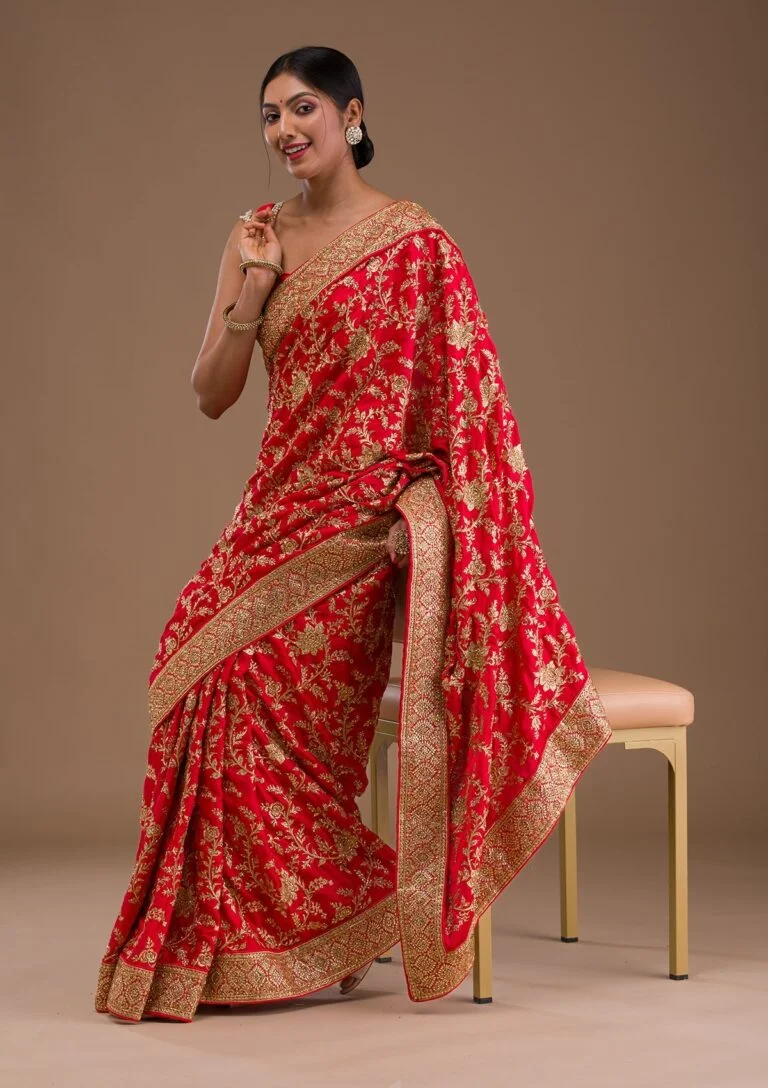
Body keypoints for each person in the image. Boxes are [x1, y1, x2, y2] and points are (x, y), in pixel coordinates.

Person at [94, 45, 612, 1023]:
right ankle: (337, 915)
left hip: (366, 529)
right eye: (269, 116)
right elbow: (211, 395)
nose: (285, 129)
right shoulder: (255, 236)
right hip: (272, 511)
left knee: (258, 697)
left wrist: (427, 524)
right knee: (187, 668)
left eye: (303, 108)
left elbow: (469, 413)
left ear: (352, 114)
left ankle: (324, 924)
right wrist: (253, 291)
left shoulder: (417, 245)